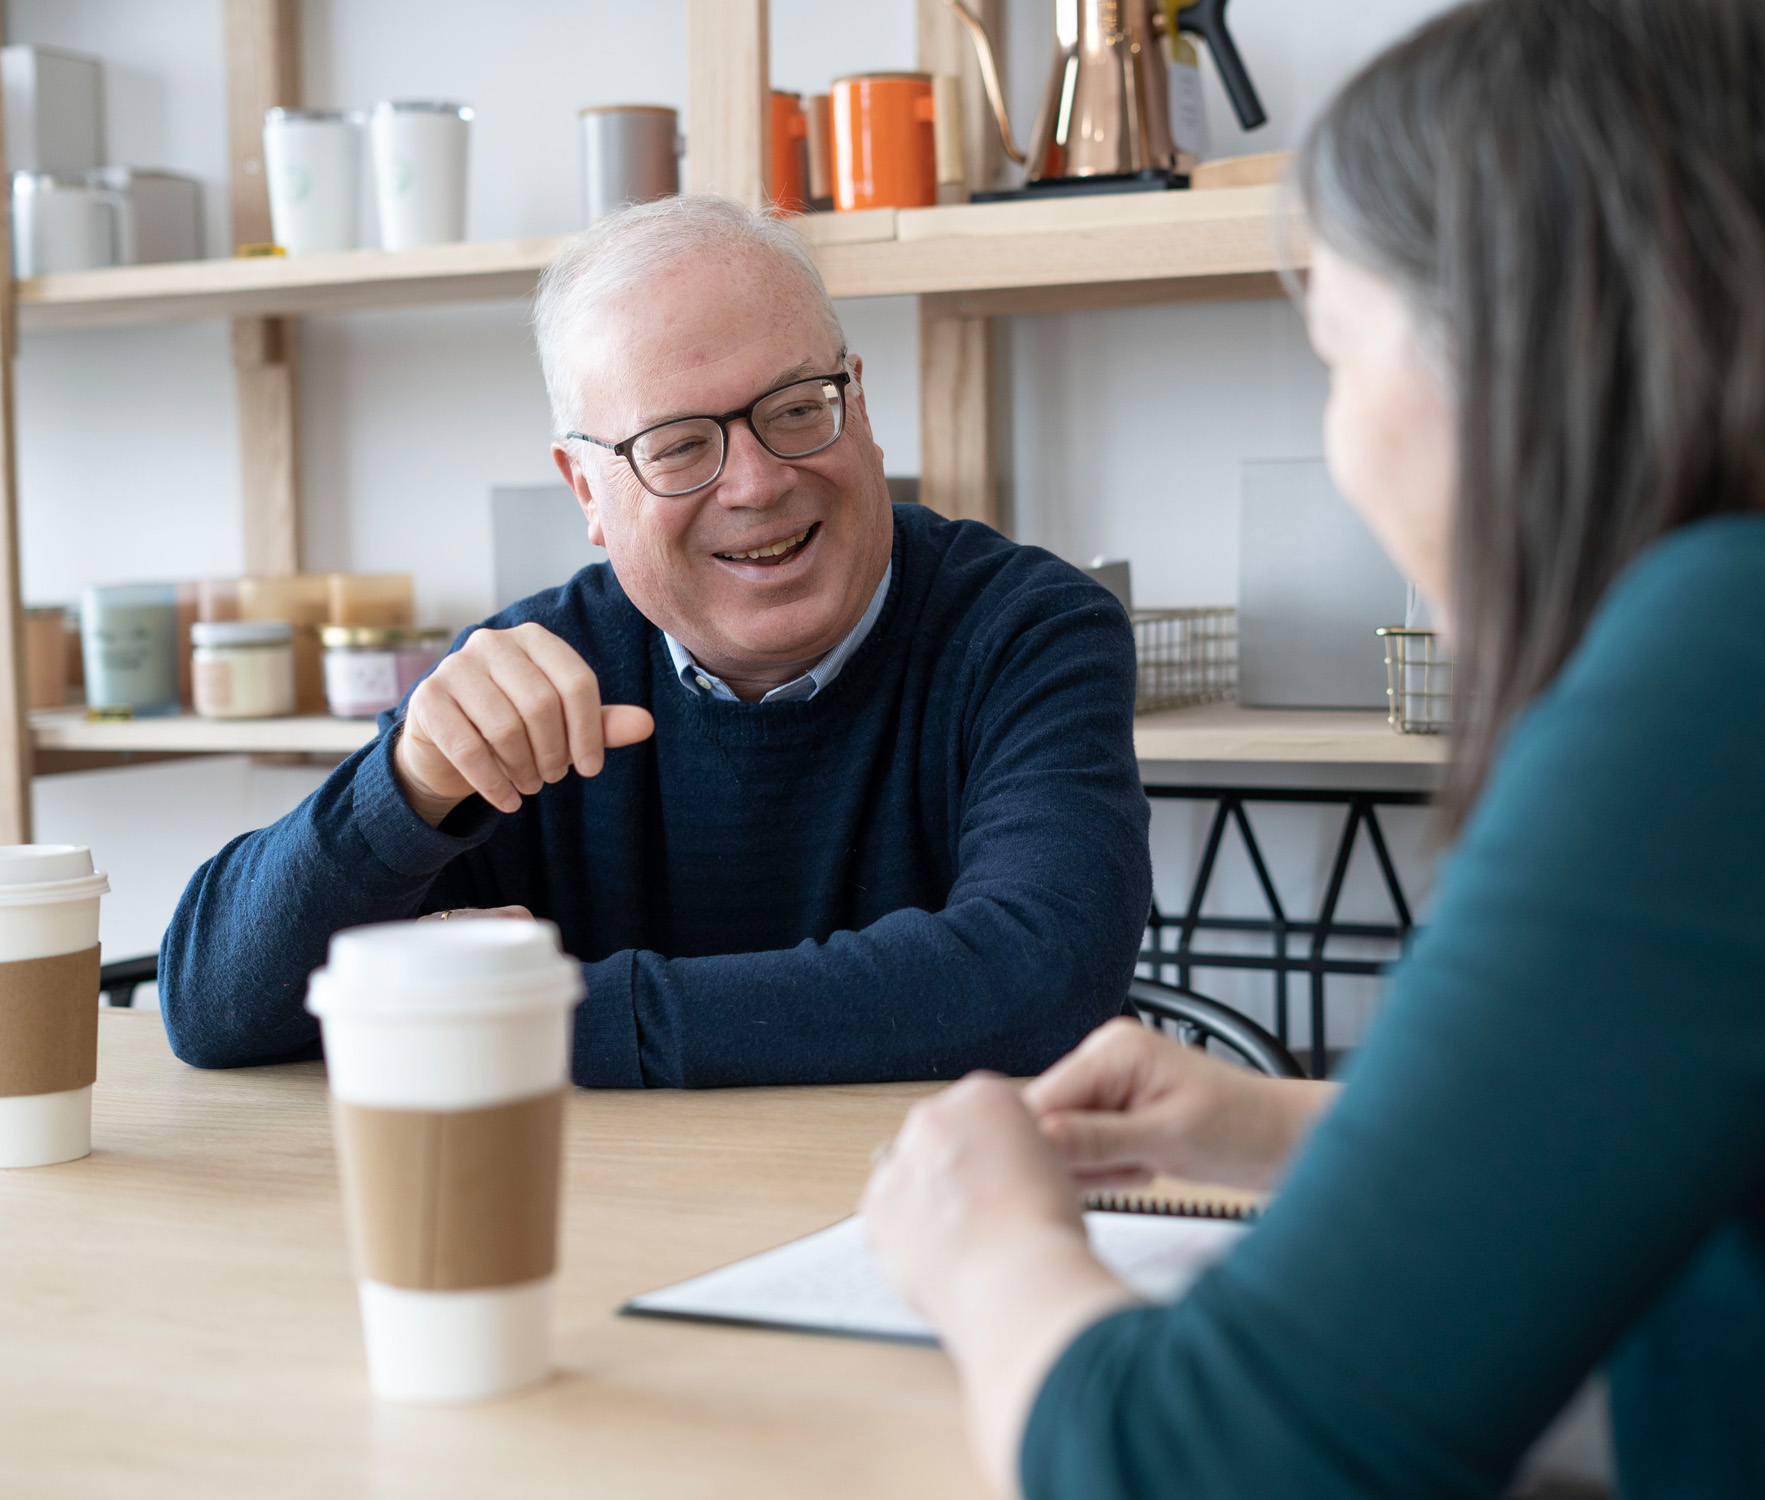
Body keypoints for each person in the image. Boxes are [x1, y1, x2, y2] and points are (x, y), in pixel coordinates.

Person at [861, 0, 1765, 1495]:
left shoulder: (1749, 662)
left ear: (1510, 335)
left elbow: (1210, 1468)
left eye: (1336, 351)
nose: (1344, 445)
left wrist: (986, 1247)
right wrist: (1287, 1129)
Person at [157, 196, 1153, 1088]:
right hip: (600, 1236)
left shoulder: (1026, 629)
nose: (756, 482)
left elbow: (1036, 977)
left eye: (796, 410)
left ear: (858, 405)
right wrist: (406, 782)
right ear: (586, 491)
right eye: (678, 445)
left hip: (946, 1233)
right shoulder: (532, 671)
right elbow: (212, 1008)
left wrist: (527, 1011)